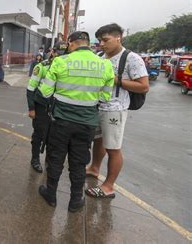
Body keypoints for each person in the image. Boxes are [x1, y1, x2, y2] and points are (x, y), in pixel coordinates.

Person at [37, 31, 115, 212]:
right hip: (87, 123)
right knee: (79, 162)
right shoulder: (105, 65)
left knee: (56, 158)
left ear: (71, 44)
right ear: (87, 43)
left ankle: (51, 195)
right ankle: (75, 200)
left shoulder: (60, 62)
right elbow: (105, 98)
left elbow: (45, 92)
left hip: (61, 121)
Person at [85, 23, 149, 199]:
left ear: (118, 37)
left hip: (115, 109)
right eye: (99, 41)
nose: (102, 44)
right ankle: (94, 168)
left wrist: (116, 80)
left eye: (105, 40)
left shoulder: (131, 58)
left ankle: (108, 187)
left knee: (113, 148)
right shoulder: (99, 56)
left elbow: (144, 86)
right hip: (96, 106)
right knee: (98, 141)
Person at [26, 42, 68, 173]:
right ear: (53, 52)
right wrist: (31, 108)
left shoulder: (67, 68)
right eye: (57, 54)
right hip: (41, 106)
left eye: (63, 54)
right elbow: (31, 88)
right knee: (38, 134)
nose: (60, 57)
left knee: (53, 137)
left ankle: (49, 160)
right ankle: (35, 159)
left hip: (58, 108)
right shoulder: (41, 66)